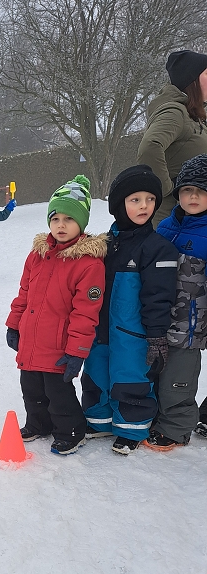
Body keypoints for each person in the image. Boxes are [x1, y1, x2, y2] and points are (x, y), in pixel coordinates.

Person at [5, 174, 107, 456]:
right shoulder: (37, 255)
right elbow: (24, 293)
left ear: (81, 223)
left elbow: (86, 312)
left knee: (58, 392)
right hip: (32, 338)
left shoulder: (88, 264)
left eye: (69, 219)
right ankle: (39, 423)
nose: (61, 225)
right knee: (31, 388)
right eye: (55, 218)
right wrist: (14, 325)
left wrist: (77, 351)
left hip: (60, 344)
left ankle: (71, 431)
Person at [81, 166, 178, 455]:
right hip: (100, 329)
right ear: (118, 205)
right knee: (97, 374)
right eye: (135, 199)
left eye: (150, 199)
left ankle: (131, 428)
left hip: (133, 332)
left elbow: (159, 296)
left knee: (131, 378)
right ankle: (100, 420)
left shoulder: (158, 248)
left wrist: (157, 335)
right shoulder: (103, 245)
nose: (144, 206)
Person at [143, 155, 207, 450]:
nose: (192, 197)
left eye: (201, 191)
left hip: (191, 325)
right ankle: (158, 418)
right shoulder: (167, 226)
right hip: (161, 317)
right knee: (157, 372)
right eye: (186, 190)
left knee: (178, 380)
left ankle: (176, 427)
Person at [137, 50, 207, 225]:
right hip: (172, 221)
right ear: (192, 81)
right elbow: (150, 146)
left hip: (192, 218)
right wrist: (166, 188)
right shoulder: (175, 113)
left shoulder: (193, 116)